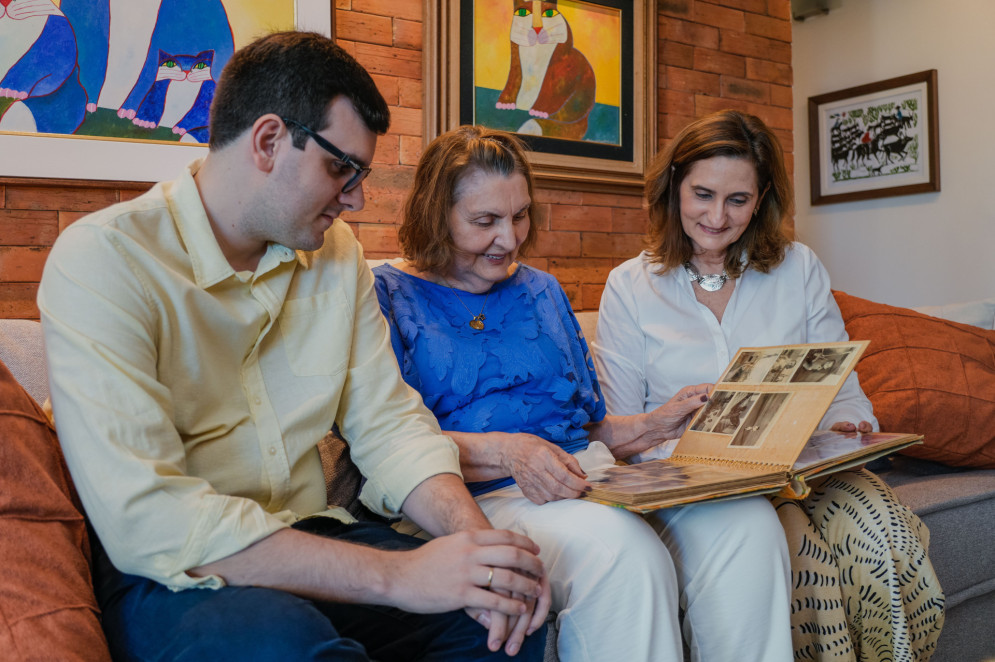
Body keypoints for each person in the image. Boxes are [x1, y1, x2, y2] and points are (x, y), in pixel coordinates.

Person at [37, 32, 551, 661]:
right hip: (179, 574)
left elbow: (389, 426)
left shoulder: (337, 258)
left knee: (499, 618)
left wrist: (481, 554)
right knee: (285, 644)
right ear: (269, 140)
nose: (357, 198)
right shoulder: (105, 259)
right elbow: (151, 518)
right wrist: (401, 576)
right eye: (343, 168)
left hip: (316, 533)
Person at [373, 125, 794, 661]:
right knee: (621, 552)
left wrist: (656, 423)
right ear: (437, 217)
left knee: (745, 522)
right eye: (485, 221)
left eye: (520, 215)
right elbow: (386, 440)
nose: (510, 238)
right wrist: (510, 449)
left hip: (591, 475)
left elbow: (587, 427)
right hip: (484, 496)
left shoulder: (541, 290)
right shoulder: (389, 296)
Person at [594, 109, 945, 661]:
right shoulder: (630, 286)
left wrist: (849, 426)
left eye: (737, 200)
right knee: (800, 555)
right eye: (702, 194)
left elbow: (842, 387)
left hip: (802, 471)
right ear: (673, 190)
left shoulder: (797, 268)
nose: (717, 215)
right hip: (697, 489)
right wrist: (678, 430)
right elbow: (618, 431)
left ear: (760, 201)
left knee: (882, 533)